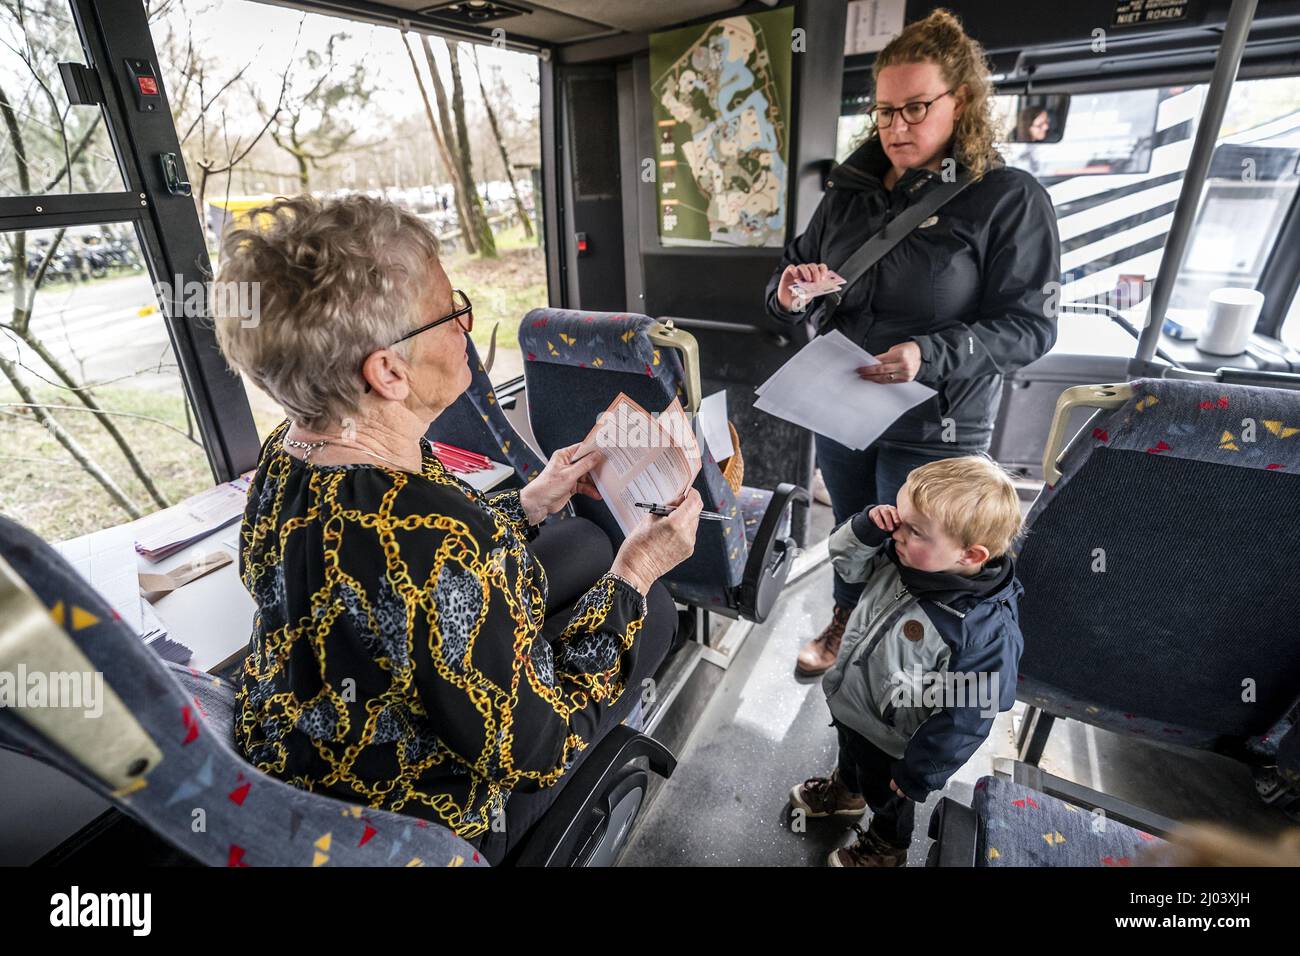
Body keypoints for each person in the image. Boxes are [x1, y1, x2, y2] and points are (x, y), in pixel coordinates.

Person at [211, 193, 700, 864]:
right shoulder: (447, 540)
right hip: (412, 824)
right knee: (657, 613)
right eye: (451, 313)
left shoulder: (287, 457)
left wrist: (528, 504)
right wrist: (637, 576)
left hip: (305, 756)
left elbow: (414, 573)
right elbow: (533, 750)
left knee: (585, 541)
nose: (466, 326)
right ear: (387, 371)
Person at [764, 8, 1059, 677]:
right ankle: (846, 619)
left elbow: (1030, 327)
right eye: (885, 110)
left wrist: (929, 353)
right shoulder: (848, 193)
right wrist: (788, 294)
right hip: (841, 406)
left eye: (917, 107)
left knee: (921, 550)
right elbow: (789, 276)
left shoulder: (1006, 199)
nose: (897, 126)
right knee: (854, 529)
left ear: (964, 102)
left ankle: (895, 666)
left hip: (935, 422)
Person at [787, 456, 1025, 866]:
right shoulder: (905, 558)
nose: (897, 531)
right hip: (854, 703)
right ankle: (846, 793)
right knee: (851, 755)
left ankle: (885, 848)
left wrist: (920, 771)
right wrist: (864, 528)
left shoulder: (981, 633)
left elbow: (969, 715)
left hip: (900, 743)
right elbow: (847, 565)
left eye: (914, 530)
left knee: (889, 797)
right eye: (900, 518)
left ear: (970, 555)